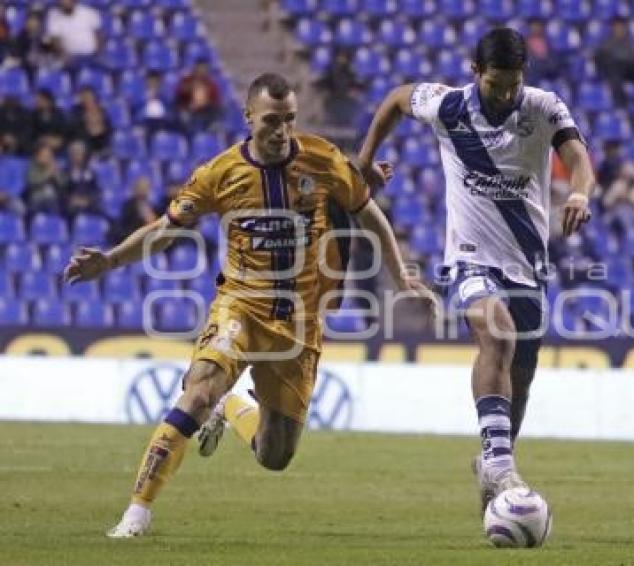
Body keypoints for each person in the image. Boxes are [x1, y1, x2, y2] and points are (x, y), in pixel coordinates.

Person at [64, 72, 431, 538]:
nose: (282, 132)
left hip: (299, 323)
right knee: (197, 393)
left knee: (274, 456)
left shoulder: (321, 158)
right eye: (272, 121)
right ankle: (136, 512)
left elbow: (367, 212)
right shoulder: (219, 173)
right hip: (239, 306)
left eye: (290, 120)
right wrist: (111, 259)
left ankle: (233, 405)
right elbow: (165, 229)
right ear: (249, 118)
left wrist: (399, 274)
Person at [355, 28, 595, 513]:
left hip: (528, 265)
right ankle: (502, 463)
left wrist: (579, 191)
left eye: (513, 84)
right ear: (475, 72)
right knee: (497, 335)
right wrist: (363, 160)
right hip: (470, 256)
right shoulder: (448, 107)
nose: (506, 95)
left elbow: (577, 156)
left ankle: (494, 457)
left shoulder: (544, 106)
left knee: (520, 379)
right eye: (495, 85)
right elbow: (398, 99)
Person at [595, 16, 634, 106]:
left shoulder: (631, 43)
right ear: (613, 28)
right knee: (614, 73)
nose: (619, 30)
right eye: (617, 27)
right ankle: (621, 104)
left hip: (629, 71)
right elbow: (601, 59)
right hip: (614, 71)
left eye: (621, 27)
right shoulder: (606, 44)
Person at [602, 161, 634, 234]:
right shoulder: (618, 184)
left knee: (625, 214)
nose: (629, 178)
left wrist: (629, 198)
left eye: (631, 175)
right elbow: (605, 202)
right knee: (608, 219)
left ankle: (630, 235)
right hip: (618, 216)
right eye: (626, 175)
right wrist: (616, 199)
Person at [175, 59, 221, 133]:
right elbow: (179, 95)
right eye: (200, 68)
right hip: (189, 110)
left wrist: (204, 103)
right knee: (182, 115)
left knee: (216, 110)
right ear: (195, 69)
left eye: (204, 69)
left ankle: (211, 127)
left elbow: (215, 101)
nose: (201, 71)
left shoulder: (211, 84)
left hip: (205, 111)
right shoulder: (187, 81)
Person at [70, 86, 112, 155]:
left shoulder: (101, 110)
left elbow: (108, 128)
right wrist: (87, 124)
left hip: (101, 141)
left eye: (89, 97)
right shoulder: (76, 112)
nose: (87, 99)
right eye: (85, 97)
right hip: (84, 143)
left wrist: (100, 128)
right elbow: (74, 130)